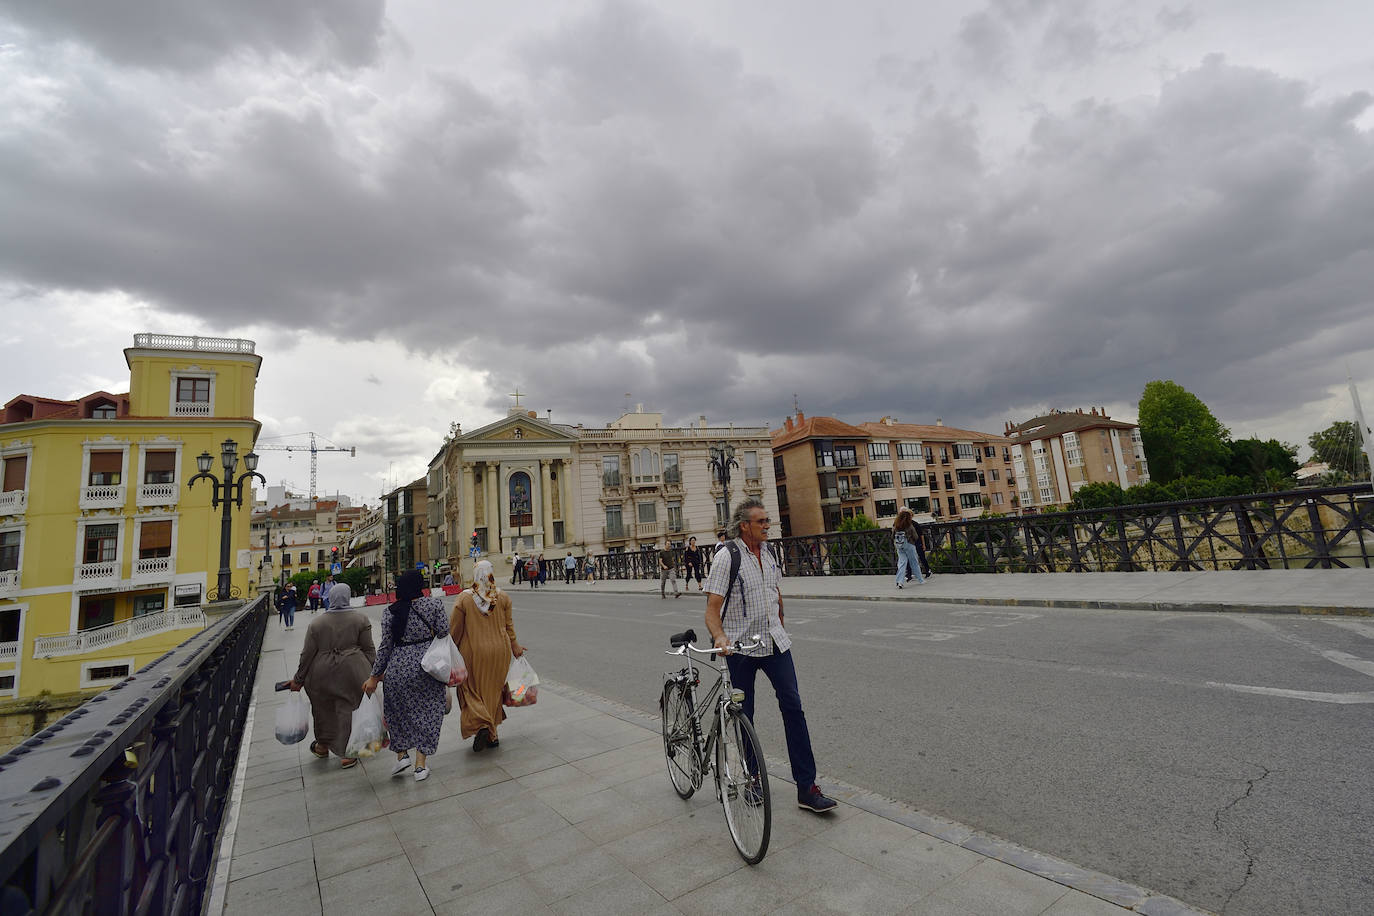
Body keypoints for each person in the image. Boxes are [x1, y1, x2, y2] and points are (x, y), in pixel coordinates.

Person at [704, 498, 837, 814]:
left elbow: (774, 592)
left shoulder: (770, 553)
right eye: (761, 521)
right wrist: (720, 636)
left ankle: (807, 788)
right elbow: (711, 609)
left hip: (776, 644)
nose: (767, 525)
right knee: (744, 716)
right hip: (740, 649)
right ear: (744, 526)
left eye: (768, 520)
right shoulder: (727, 558)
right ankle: (752, 779)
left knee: (794, 707)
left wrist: (780, 616)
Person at [361, 569, 447, 782]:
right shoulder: (434, 605)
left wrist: (374, 675)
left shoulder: (390, 611)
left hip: (397, 669)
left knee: (397, 713)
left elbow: (385, 646)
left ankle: (401, 755)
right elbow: (444, 631)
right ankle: (420, 765)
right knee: (429, 713)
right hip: (427, 668)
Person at [286, 583, 376, 769]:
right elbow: (369, 649)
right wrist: (376, 673)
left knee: (322, 709)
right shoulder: (360, 619)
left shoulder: (317, 623)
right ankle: (347, 754)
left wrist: (298, 678)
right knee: (348, 708)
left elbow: (307, 654)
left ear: (331, 597)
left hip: (321, 672)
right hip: (353, 670)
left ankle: (322, 746)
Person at [451, 559, 527, 752]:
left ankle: (483, 724)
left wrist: (451, 649)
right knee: (493, 692)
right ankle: (493, 735)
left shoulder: (465, 598)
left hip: (473, 652)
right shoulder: (502, 597)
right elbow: (509, 626)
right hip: (500, 652)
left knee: (470, 690)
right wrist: (515, 645)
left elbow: (455, 630)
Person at [892, 507, 926, 588]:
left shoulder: (896, 525)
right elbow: (915, 536)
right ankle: (920, 579)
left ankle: (899, 581)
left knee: (902, 563)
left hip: (899, 545)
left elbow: (892, 535)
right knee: (914, 562)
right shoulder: (909, 525)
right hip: (909, 544)